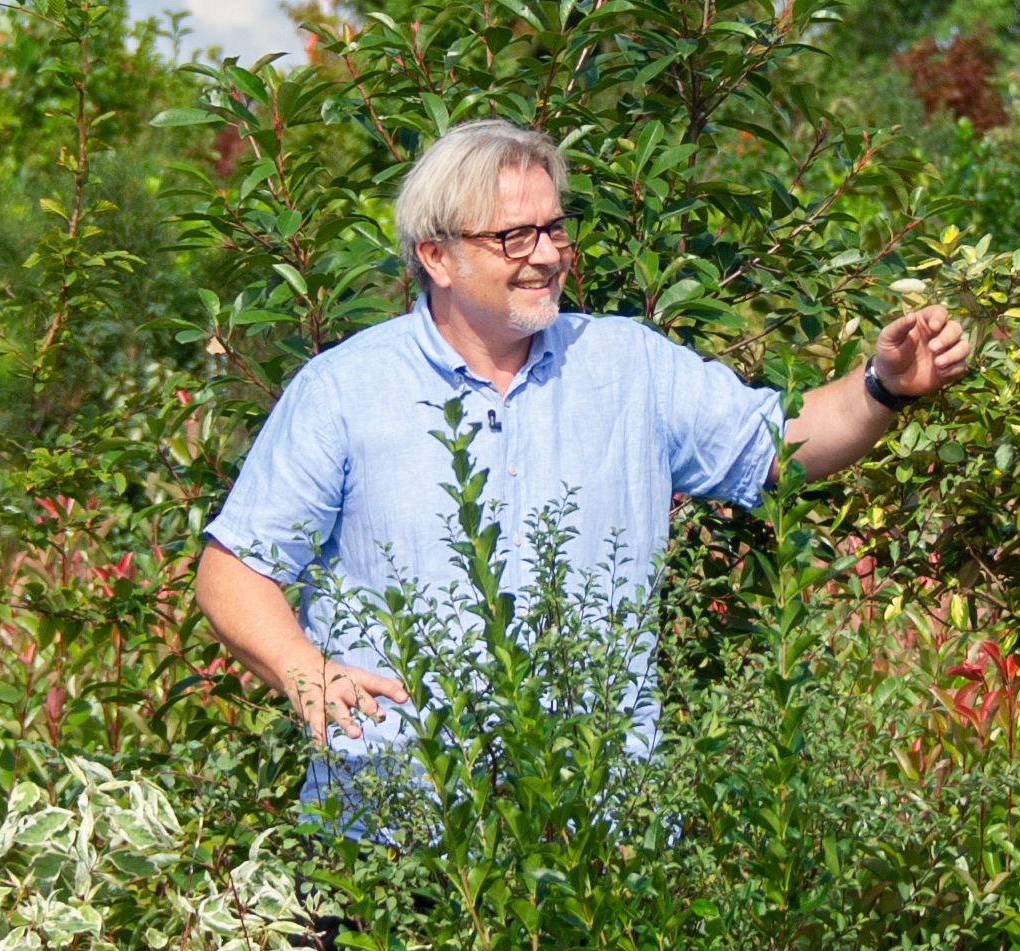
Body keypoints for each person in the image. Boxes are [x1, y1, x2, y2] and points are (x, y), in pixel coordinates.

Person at [195, 119, 969, 799]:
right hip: (391, 828)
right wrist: (303, 670)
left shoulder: (628, 365)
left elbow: (774, 444)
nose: (545, 256)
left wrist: (881, 388)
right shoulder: (344, 389)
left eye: (553, 229)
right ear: (435, 256)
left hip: (595, 839)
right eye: (512, 237)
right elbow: (232, 570)